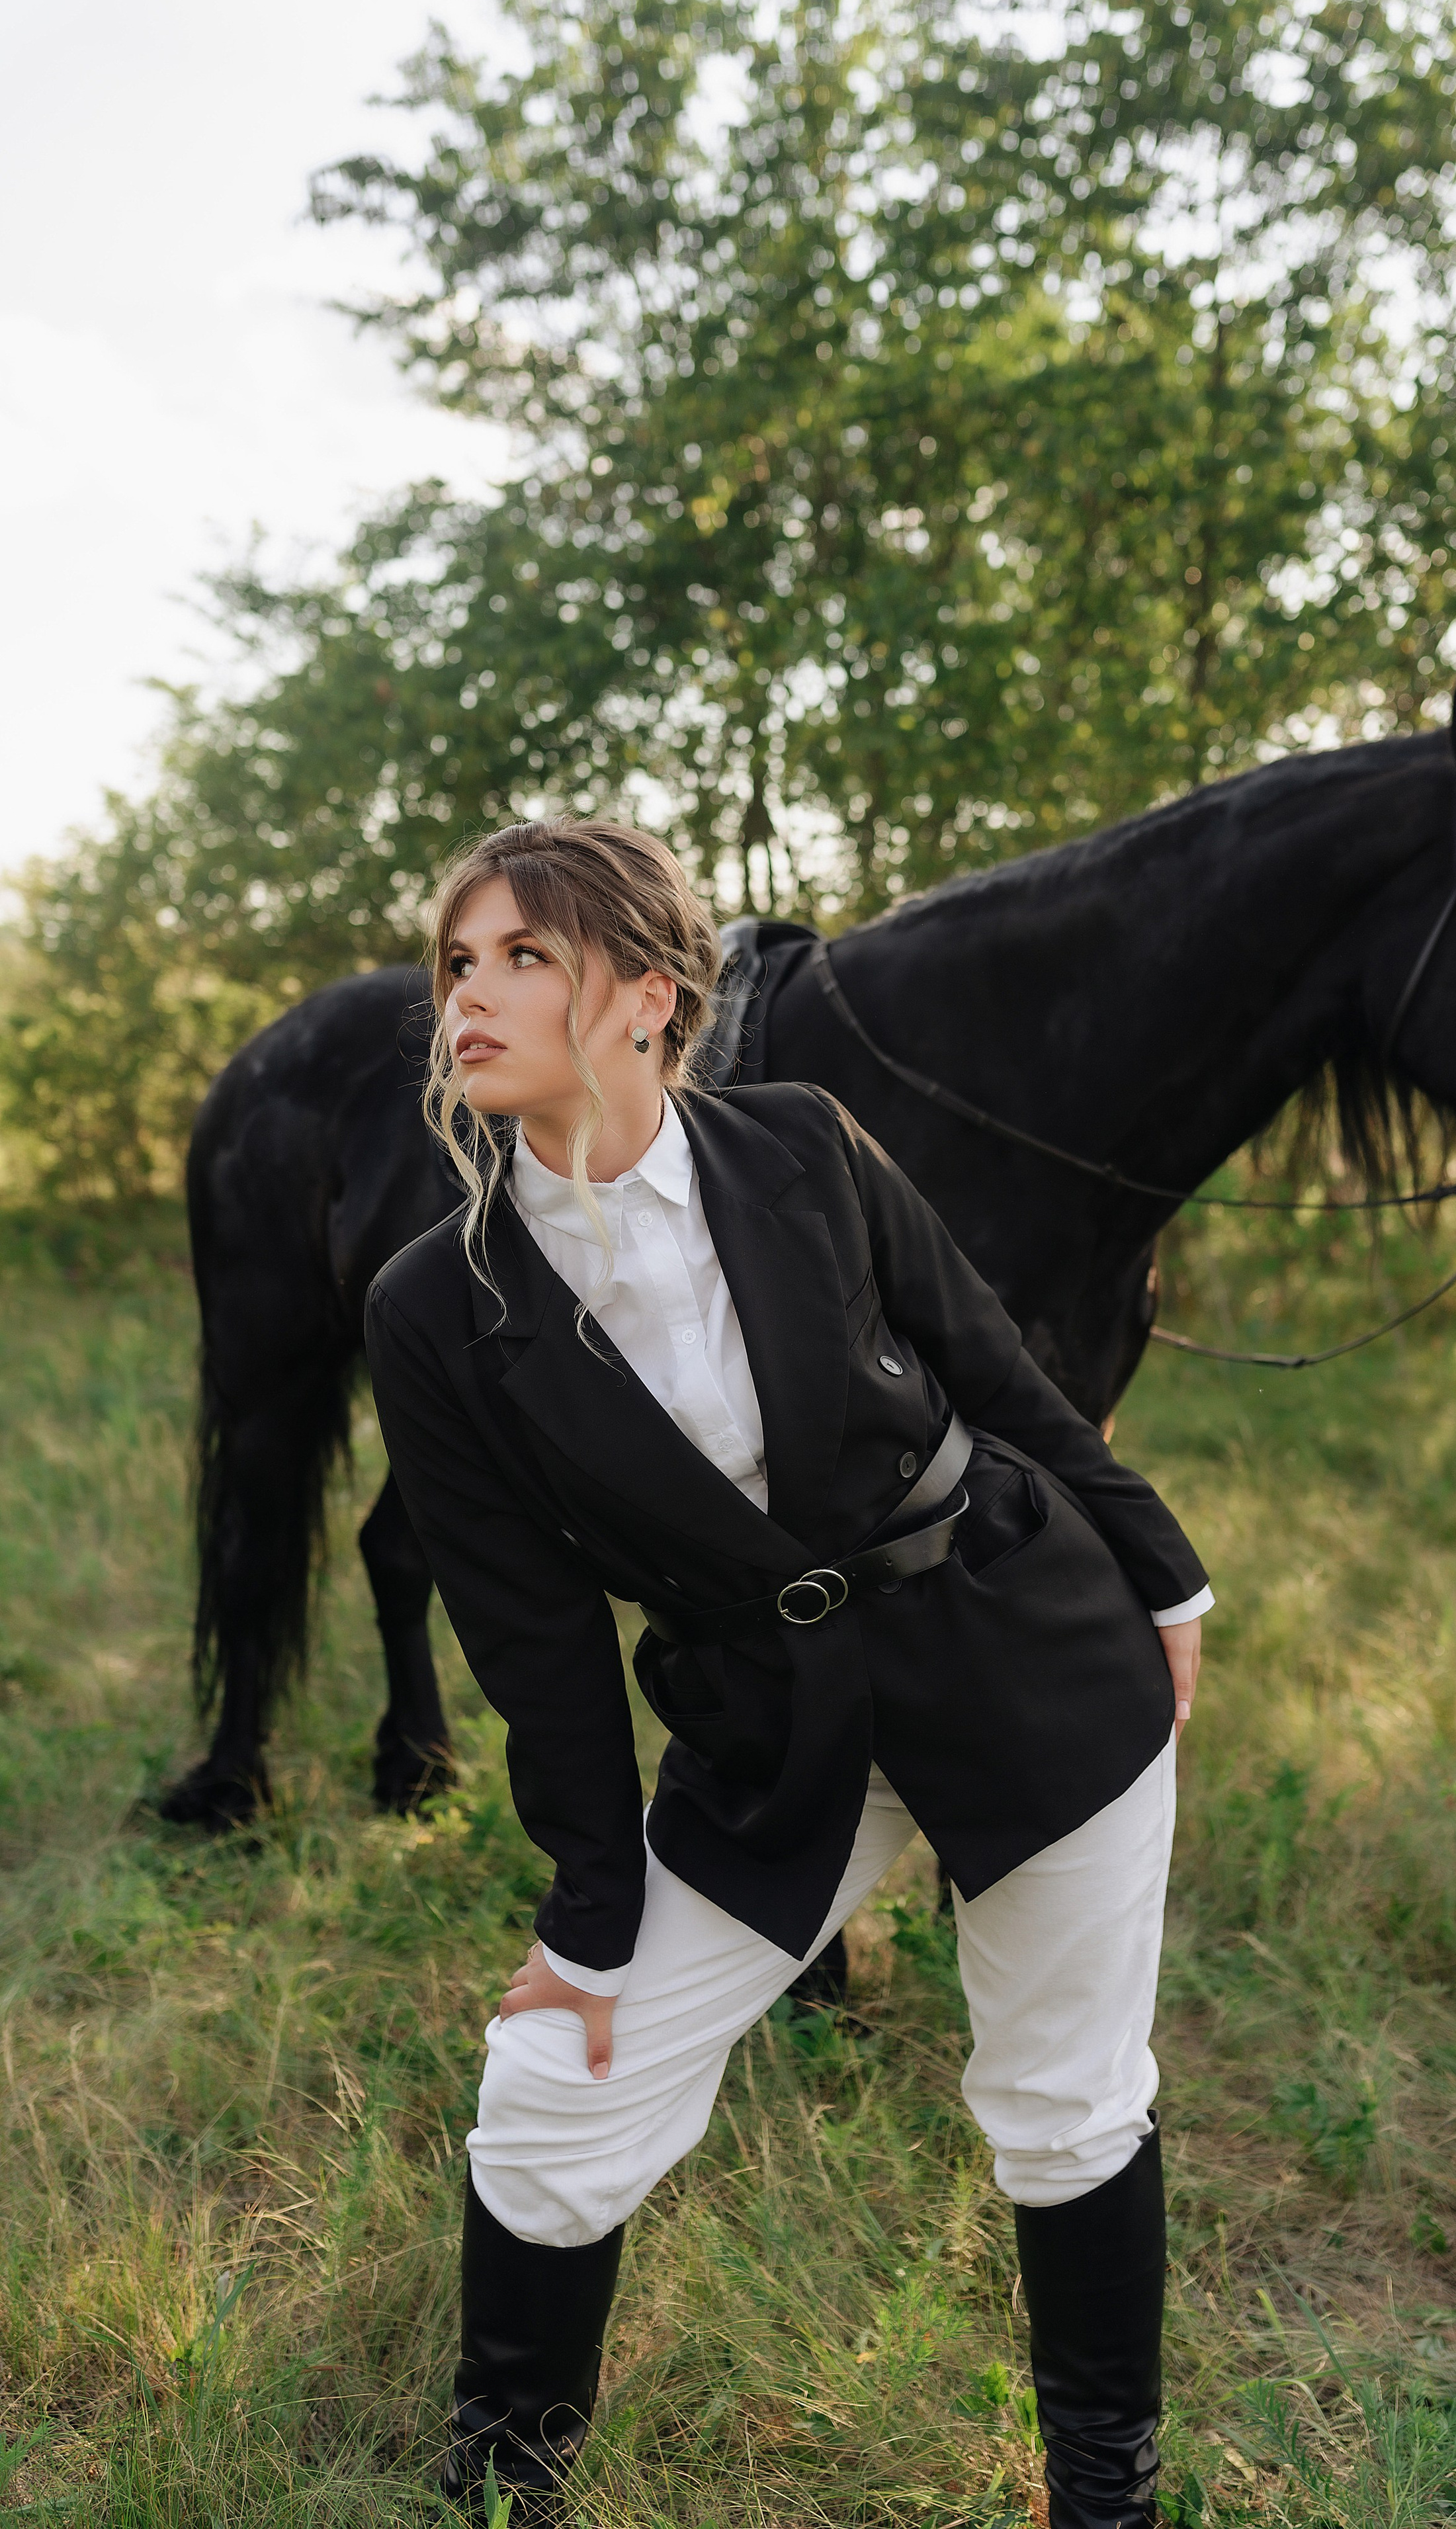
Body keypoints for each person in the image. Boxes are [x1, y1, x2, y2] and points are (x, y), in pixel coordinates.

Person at [365, 818, 1213, 2524]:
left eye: (528, 955)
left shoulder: (803, 1146)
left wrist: (1164, 1569)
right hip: (774, 1735)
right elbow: (534, 1649)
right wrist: (587, 1916)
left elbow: (996, 1364)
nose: (474, 992)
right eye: (459, 962)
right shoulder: (433, 1308)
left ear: (648, 1000)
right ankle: (503, 2481)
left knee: (1062, 2107)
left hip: (1022, 1655)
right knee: (550, 2090)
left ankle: (1102, 2496)